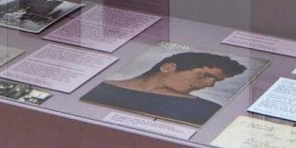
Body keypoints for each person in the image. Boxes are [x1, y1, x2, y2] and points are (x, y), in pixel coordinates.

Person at [83, 51, 246, 126]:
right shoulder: (99, 88)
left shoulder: (208, 109)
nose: (210, 84)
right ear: (167, 67)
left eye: (215, 81)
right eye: (204, 75)